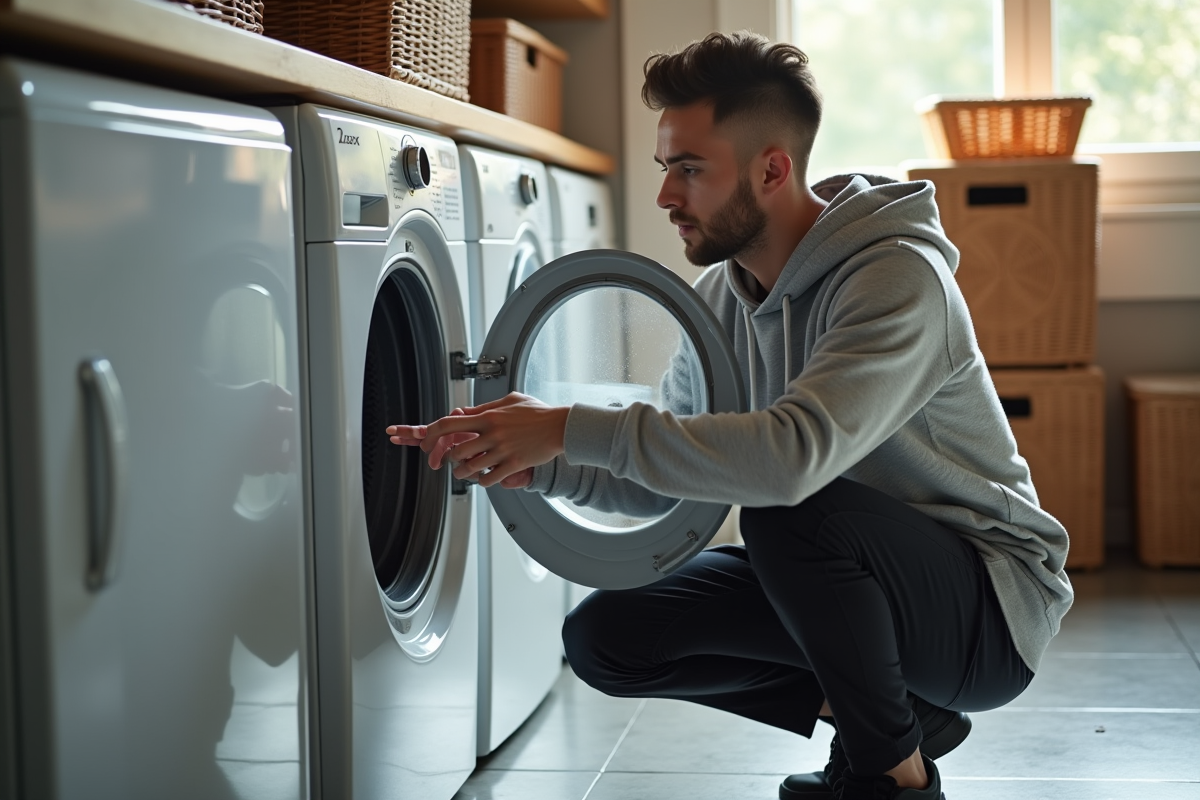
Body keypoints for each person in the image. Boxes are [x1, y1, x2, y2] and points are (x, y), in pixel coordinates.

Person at [387, 31, 1072, 800]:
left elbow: (790, 461)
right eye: (665, 167)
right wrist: (538, 460)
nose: (665, 195)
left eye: (689, 169)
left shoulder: (894, 277)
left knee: (785, 510)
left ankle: (890, 778)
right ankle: (896, 719)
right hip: (846, 568)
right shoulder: (723, 295)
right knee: (605, 639)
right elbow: (677, 474)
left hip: (987, 608)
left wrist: (568, 424)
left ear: (771, 169)